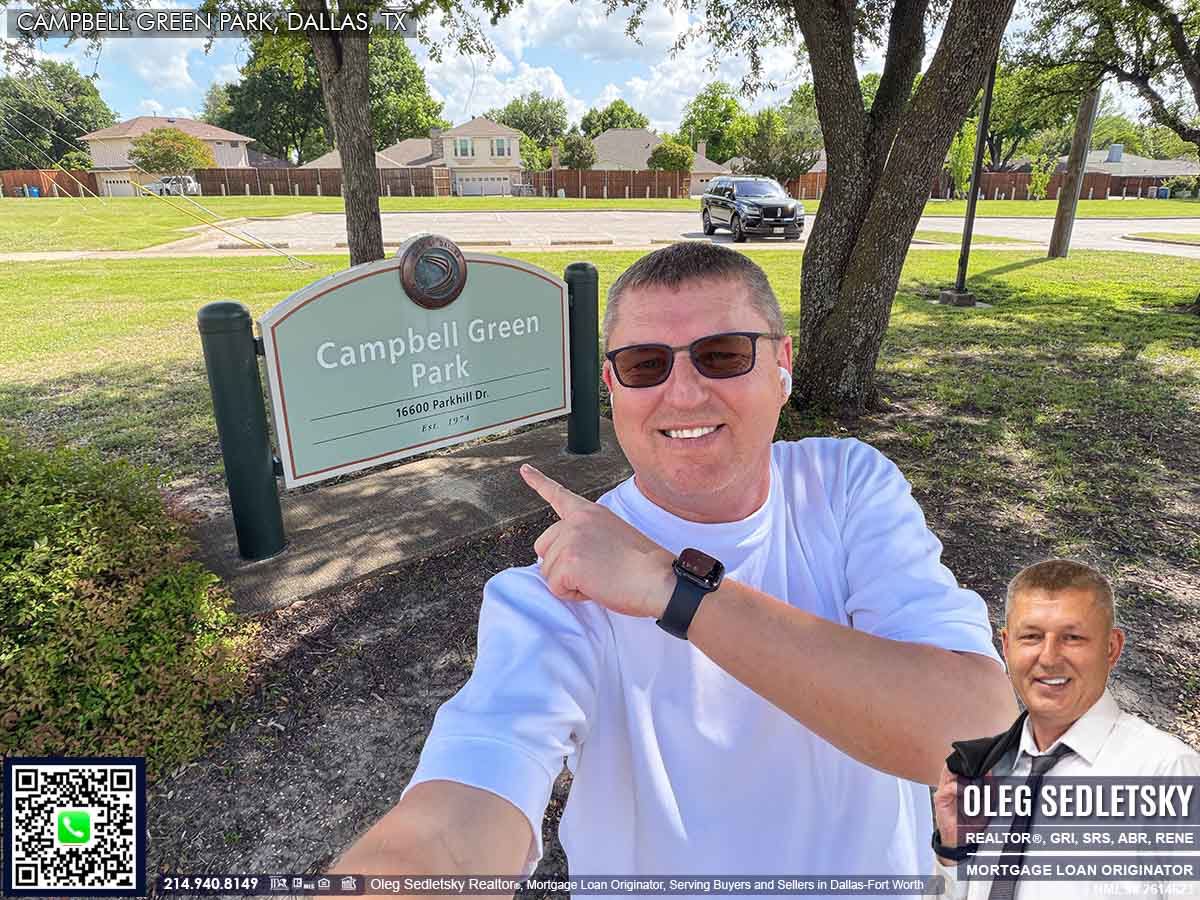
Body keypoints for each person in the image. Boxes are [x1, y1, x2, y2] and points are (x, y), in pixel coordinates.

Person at [330, 241, 1017, 892]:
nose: (683, 394)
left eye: (721, 355)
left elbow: (976, 729)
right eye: (645, 365)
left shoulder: (844, 487)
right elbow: (460, 814)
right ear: (612, 386)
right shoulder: (555, 592)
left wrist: (674, 589)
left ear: (784, 364)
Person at [932, 559, 1200, 899]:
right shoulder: (984, 774)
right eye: (1031, 636)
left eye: (1072, 638)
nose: (1048, 657)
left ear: (1112, 648)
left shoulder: (1167, 773)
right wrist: (953, 852)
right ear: (1007, 646)